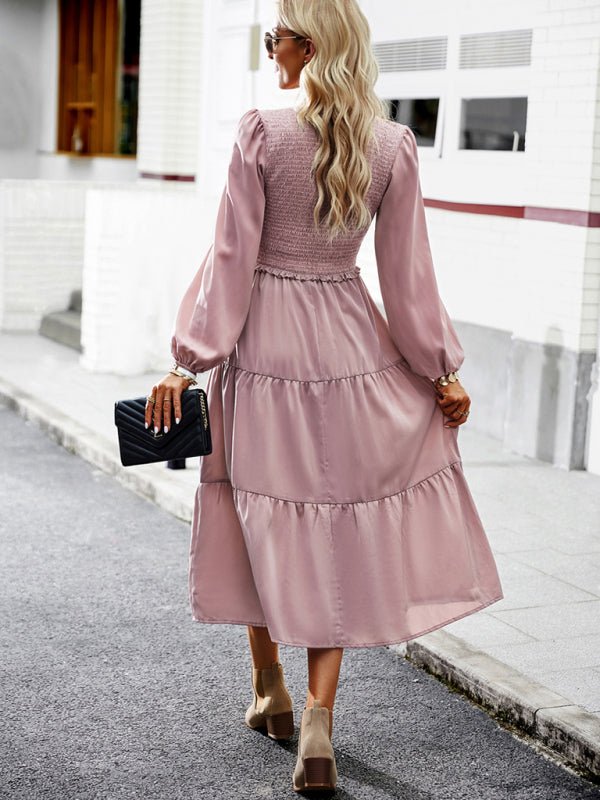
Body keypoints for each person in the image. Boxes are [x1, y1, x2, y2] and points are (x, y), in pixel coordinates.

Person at [145, 0, 504, 792]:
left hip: (264, 349)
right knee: (333, 529)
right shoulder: (390, 146)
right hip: (350, 345)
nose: (269, 47)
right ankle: (314, 719)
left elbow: (231, 259)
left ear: (306, 45)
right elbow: (410, 279)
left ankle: (267, 689)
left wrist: (188, 362)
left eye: (275, 36)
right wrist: (441, 372)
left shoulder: (261, 134)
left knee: (261, 516)